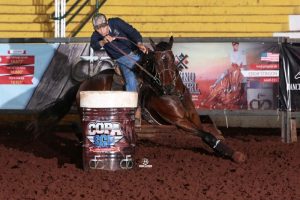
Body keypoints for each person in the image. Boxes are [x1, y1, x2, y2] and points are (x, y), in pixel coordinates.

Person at [90, 13, 148, 92]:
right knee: (130, 79)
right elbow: (94, 45)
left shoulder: (116, 22)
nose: (102, 31)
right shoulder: (96, 35)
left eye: (103, 26)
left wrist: (139, 43)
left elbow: (133, 32)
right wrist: (103, 42)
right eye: (98, 29)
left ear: (107, 22)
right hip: (121, 59)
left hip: (136, 51)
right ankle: (131, 103)